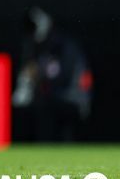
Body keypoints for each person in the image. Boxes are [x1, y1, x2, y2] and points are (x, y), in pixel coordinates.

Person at [13, 7, 91, 141]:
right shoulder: (39, 48)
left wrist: (36, 77)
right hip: (55, 99)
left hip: (70, 98)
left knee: (49, 120)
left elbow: (60, 76)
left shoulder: (63, 47)